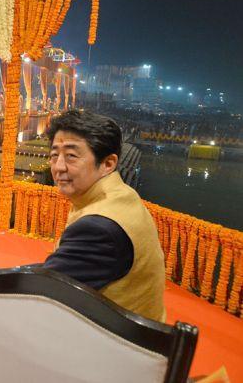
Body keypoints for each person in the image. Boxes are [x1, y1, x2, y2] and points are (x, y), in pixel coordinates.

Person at [39, 110, 166, 322]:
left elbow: (43, 295)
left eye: (71, 156)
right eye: (54, 155)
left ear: (108, 163)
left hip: (116, 345)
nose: (58, 167)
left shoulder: (98, 228)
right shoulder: (122, 195)